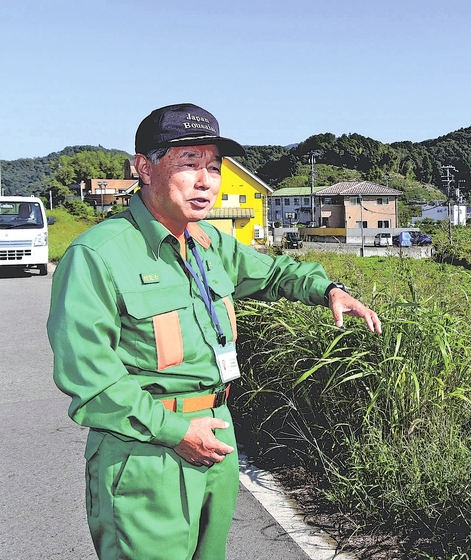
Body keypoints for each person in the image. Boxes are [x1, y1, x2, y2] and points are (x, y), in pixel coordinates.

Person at [47, 103, 381, 560]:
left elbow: (274, 272)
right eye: (189, 164)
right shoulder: (98, 255)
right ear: (144, 168)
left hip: (217, 434)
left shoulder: (207, 242)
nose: (206, 181)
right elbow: (90, 378)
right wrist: (175, 431)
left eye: (214, 167)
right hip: (146, 448)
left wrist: (329, 289)